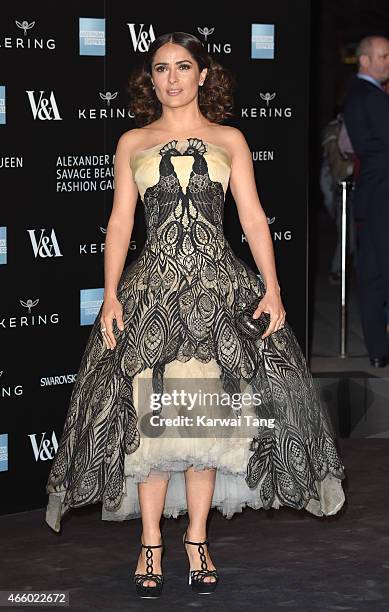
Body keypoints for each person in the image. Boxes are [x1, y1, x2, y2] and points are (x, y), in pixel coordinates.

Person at [45, 32, 346, 598]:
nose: (173, 79)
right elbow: (119, 224)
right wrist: (110, 294)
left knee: (205, 426)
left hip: (215, 295)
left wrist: (274, 288)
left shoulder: (230, 138)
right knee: (154, 429)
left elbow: (254, 219)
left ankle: (199, 540)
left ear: (204, 75)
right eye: (161, 69)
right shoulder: (133, 140)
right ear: (150, 79)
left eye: (184, 67)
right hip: (153, 296)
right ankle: (151, 543)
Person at [343, 35, 389, 368]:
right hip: (383, 193)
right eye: (384, 57)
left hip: (371, 194)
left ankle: (377, 349)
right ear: (365, 60)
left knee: (373, 274)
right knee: (379, 274)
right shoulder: (373, 96)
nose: (388, 62)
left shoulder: (357, 94)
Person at [320, 112, 355, 284]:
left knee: (349, 233)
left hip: (347, 186)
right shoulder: (338, 128)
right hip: (341, 186)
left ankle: (342, 270)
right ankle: (337, 271)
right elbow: (336, 164)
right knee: (346, 233)